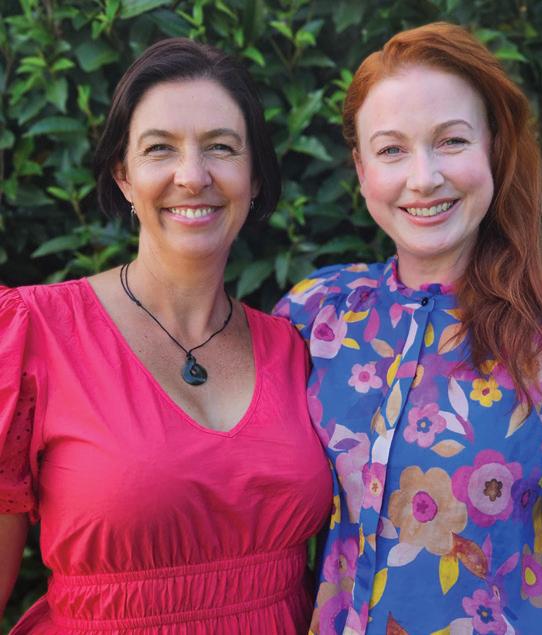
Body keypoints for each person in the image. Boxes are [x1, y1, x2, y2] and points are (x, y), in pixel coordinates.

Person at [0, 38, 332, 634]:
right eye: (160, 148)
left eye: (221, 148)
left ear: (255, 177)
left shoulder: (295, 347)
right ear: (124, 176)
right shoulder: (32, 333)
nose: (193, 176)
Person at [275, 22, 542, 634]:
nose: (424, 177)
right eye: (391, 150)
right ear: (361, 170)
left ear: (493, 148)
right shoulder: (315, 316)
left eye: (451, 141)